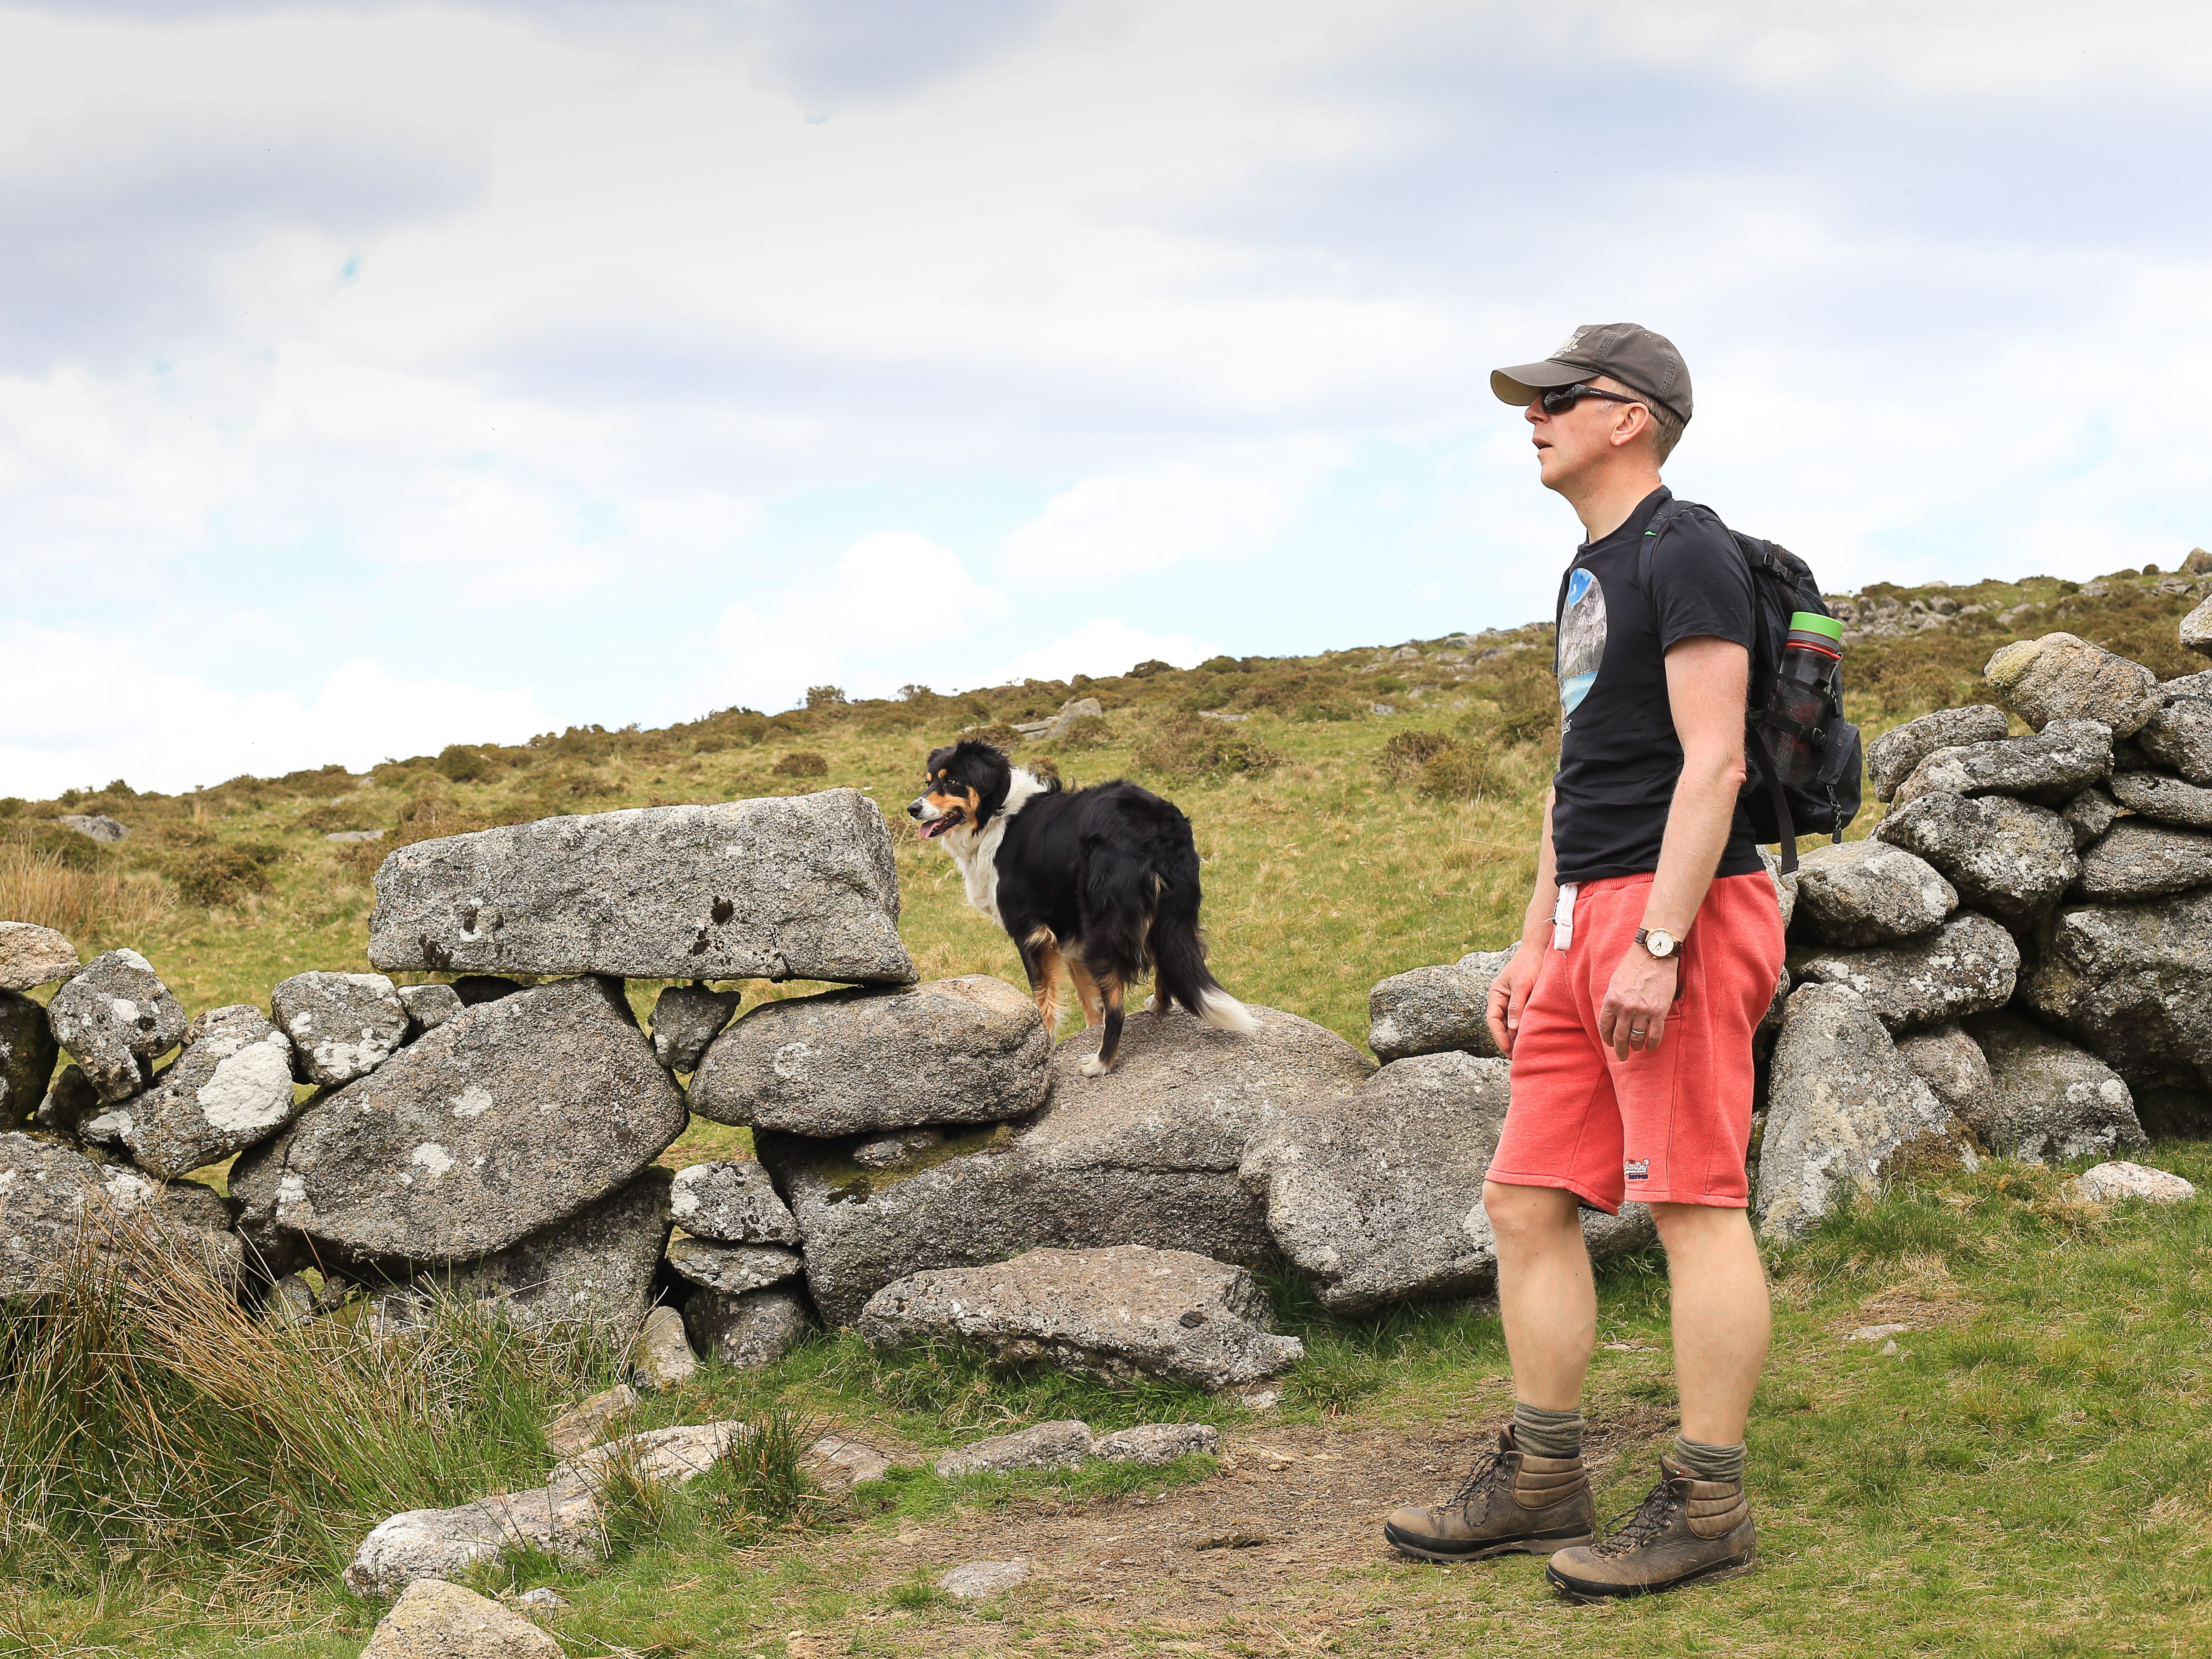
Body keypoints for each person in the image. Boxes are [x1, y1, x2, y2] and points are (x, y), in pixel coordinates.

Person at [1381, 323, 1784, 1599]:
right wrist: (1534, 936)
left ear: (1634, 417)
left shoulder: (1691, 552)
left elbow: (1712, 764)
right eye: (1533, 398)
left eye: (1562, 396)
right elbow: (1584, 774)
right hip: (1584, 924)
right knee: (1525, 1197)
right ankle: (1544, 1477)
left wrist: (1659, 943)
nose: (1534, 414)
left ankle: (1709, 1502)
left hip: (1681, 913)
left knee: (1694, 1202)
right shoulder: (1587, 570)